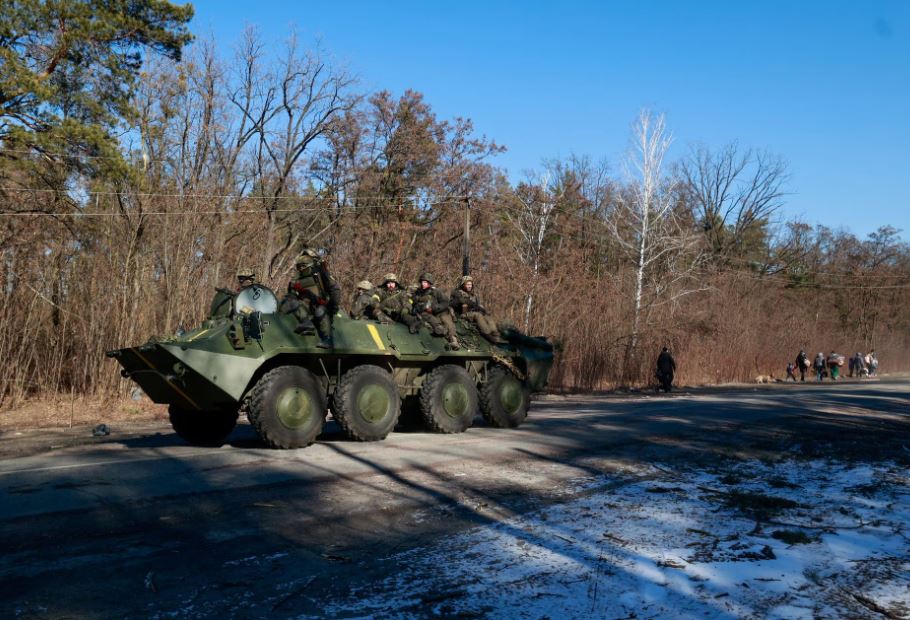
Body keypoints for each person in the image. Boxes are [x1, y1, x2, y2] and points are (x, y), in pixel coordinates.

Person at [281, 249, 341, 348]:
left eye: (303, 266)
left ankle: (327, 339)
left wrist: (333, 306)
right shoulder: (296, 279)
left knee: (320, 311)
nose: (300, 269)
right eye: (299, 267)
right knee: (290, 302)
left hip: (321, 305)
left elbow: (335, 289)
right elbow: (291, 294)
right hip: (305, 306)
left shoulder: (321, 275)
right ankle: (306, 323)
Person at [410, 272, 460, 349]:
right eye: (422, 282)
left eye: (425, 282)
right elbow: (414, 303)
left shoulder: (436, 291)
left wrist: (434, 308)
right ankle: (439, 329)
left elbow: (445, 302)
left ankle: (454, 340)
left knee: (446, 321)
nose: (423, 284)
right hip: (426, 314)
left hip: (440, 312)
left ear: (429, 283)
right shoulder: (418, 293)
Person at [450, 275, 505, 344]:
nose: (469, 286)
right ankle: (487, 334)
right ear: (463, 284)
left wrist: (482, 310)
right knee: (477, 315)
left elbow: (477, 305)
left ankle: (495, 334)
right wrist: (474, 305)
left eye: (470, 284)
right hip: (461, 314)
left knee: (487, 316)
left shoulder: (472, 295)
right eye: (467, 284)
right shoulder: (457, 292)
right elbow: (461, 301)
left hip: (471, 313)